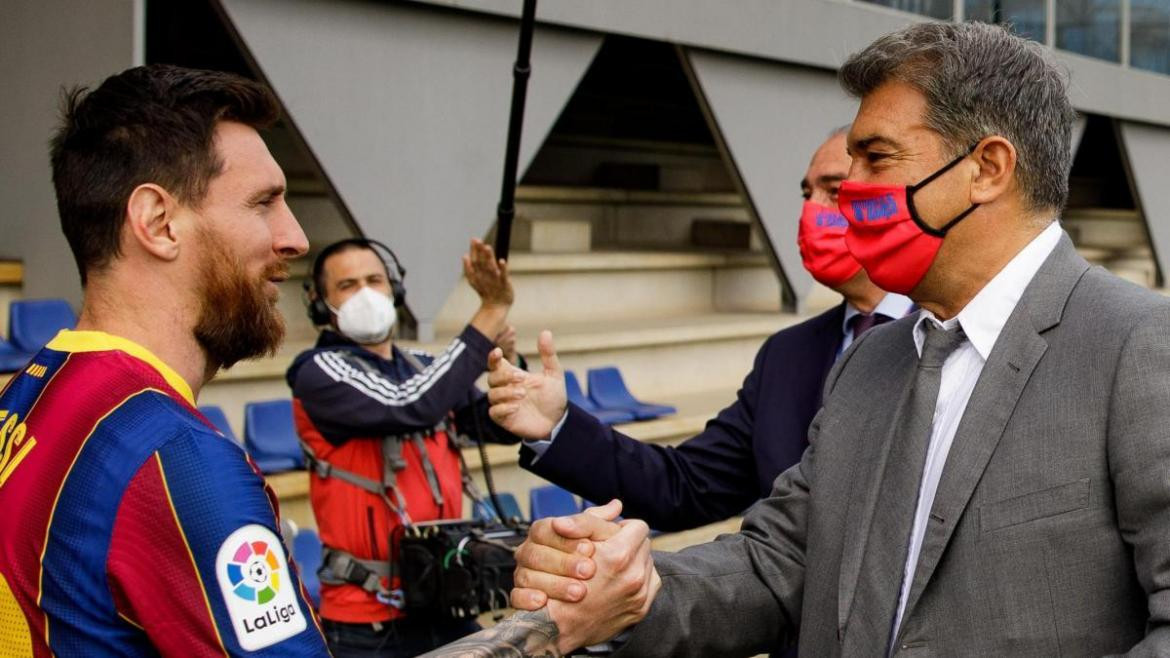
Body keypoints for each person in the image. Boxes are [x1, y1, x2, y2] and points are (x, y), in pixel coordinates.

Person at [475, 21, 1170, 656]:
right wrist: (635, 590)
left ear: (987, 169)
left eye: (875, 158)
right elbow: (783, 563)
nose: (849, 193)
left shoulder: (1138, 347)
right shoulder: (869, 361)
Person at [0, 64, 330, 654]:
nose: (296, 238)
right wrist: (525, 637)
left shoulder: (27, 391)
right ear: (158, 222)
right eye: (264, 203)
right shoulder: (177, 460)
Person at [515, 127, 913, 532]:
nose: (811, 211)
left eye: (832, 190)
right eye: (806, 195)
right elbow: (686, 486)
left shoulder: (953, 337)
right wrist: (556, 425)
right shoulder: (788, 355)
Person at [286, 237, 522, 657]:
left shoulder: (425, 366)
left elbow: (500, 429)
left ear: (394, 288)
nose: (365, 293)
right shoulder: (317, 371)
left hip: (446, 595)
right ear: (321, 304)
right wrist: (488, 312)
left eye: (374, 279)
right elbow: (407, 404)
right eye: (347, 285)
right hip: (367, 620)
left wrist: (510, 369)